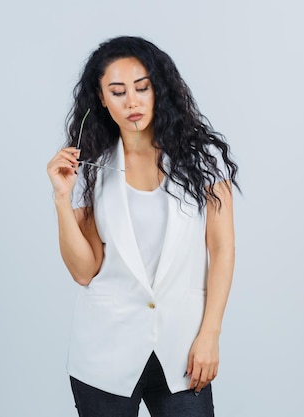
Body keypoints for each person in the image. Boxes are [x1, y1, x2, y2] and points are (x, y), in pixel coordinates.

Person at [46, 36, 239, 417]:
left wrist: (210, 334)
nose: (131, 102)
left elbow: (222, 249)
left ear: (158, 89)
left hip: (184, 349)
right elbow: (84, 271)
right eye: (117, 92)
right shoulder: (90, 166)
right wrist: (61, 200)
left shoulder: (203, 161)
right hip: (105, 352)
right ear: (101, 98)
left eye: (142, 87)